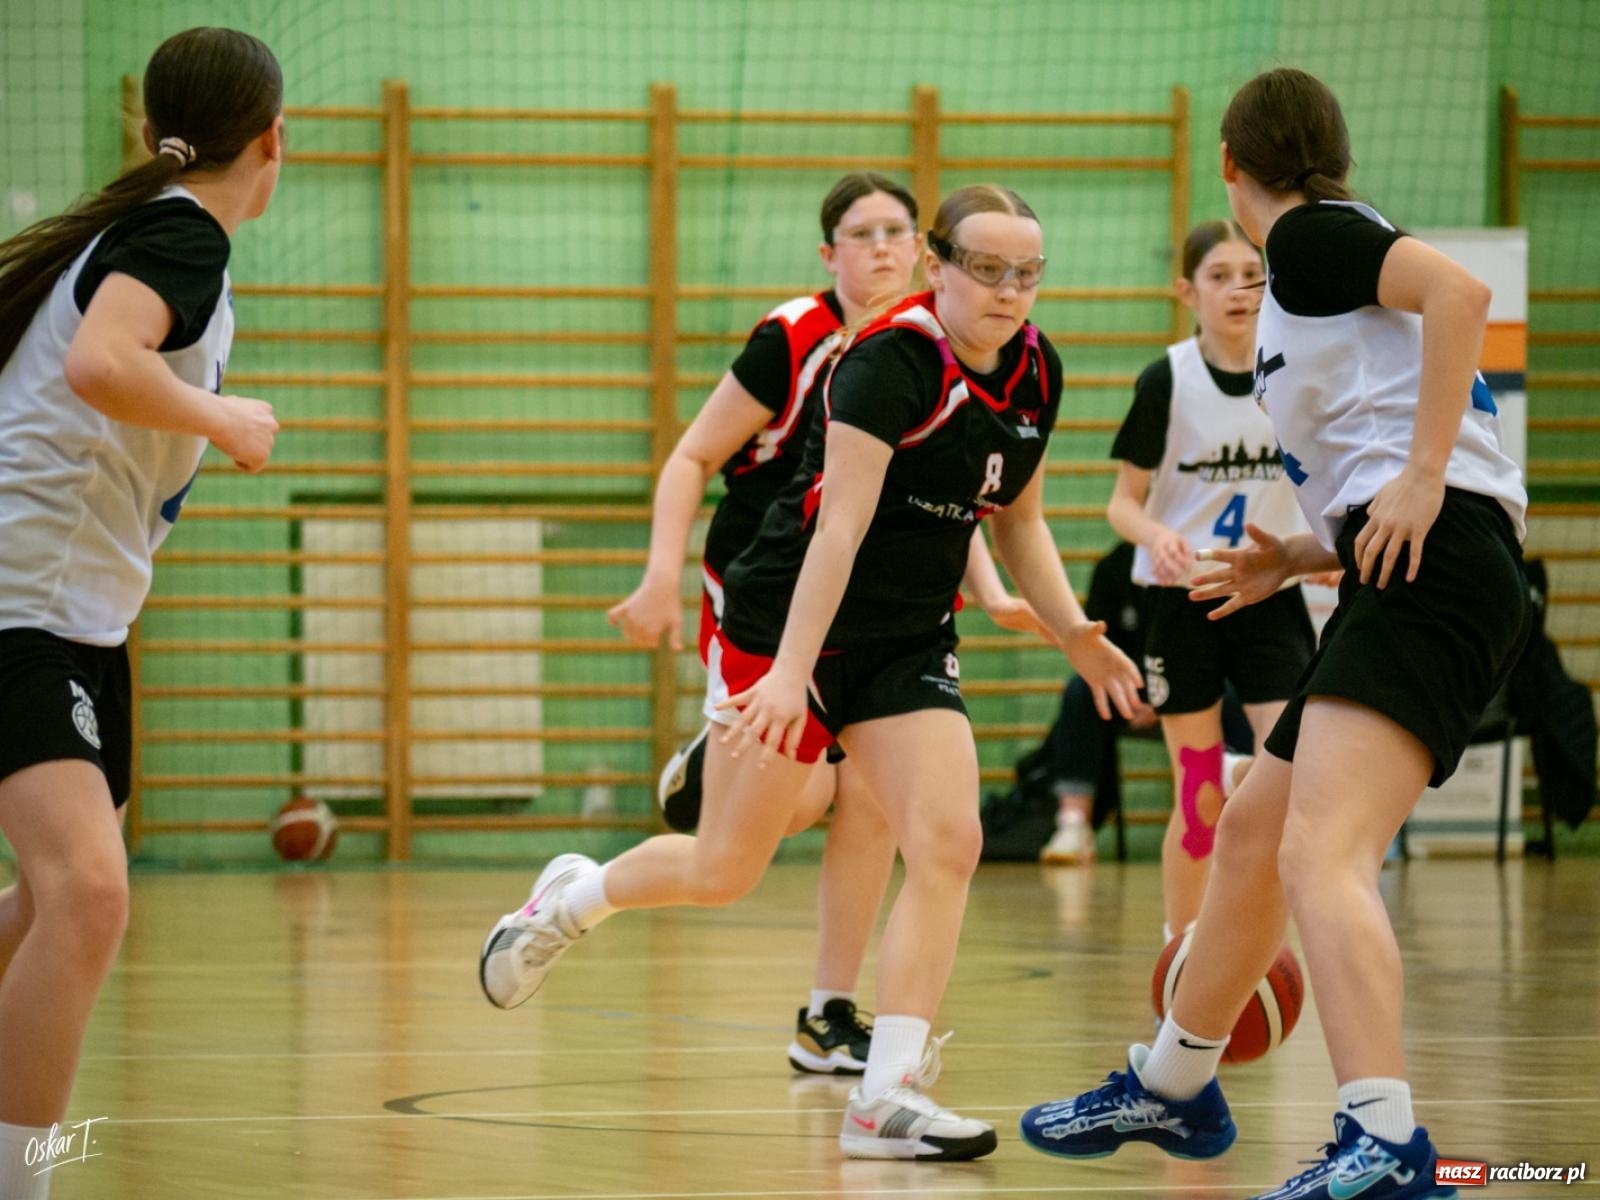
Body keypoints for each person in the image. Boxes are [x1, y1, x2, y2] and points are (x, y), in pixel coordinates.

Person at [482, 184, 1142, 1162]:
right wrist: (788, 676)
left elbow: (1020, 517)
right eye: (988, 269)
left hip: (905, 639)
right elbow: (837, 529)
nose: (1010, 291)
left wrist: (1072, 628)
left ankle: (884, 1099)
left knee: (948, 838)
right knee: (724, 870)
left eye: (1028, 273)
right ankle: (571, 900)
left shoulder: (1038, 370)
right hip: (791, 623)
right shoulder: (888, 363)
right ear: (939, 265)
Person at [1019, 67, 1529, 1200]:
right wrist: (1296, 555)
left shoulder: (1309, 239)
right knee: (1250, 826)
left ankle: (1383, 1140)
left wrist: (1422, 474)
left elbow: (1460, 296)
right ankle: (1172, 1082)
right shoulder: (1314, 279)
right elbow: (1379, 438)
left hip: (1438, 565)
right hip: (1403, 567)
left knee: (1317, 849)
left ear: (1228, 166)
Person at [606, 172, 1045, 1075]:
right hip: (770, 591)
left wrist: (997, 589)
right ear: (830, 254)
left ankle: (832, 1015)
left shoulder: (962, 350)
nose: (880, 248)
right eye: (861, 234)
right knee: (794, 809)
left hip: (884, 607)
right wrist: (658, 577)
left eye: (894, 229)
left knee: (881, 805)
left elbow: (952, 489)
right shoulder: (800, 338)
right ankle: (707, 776)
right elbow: (697, 457)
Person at [0, 28, 283, 1199]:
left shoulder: (154, 227)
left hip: (80, 614)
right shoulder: (178, 233)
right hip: (26, 601)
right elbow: (101, 365)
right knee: (89, 892)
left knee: (46, 894)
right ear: (275, 141)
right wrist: (228, 420)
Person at [1105, 219, 1314, 931]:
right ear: (1186, 289)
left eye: (1250, 275)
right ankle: (1181, 953)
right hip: (1183, 596)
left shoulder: (1293, 374)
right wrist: (1159, 534)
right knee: (1197, 808)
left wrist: (1322, 549)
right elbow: (1121, 505)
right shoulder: (1167, 378)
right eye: (1219, 276)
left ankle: (1262, 943)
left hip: (1268, 593)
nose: (1238, 290)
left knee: (1292, 776)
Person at [983, 542, 1257, 866]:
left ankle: (1238, 817)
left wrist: (1164, 701)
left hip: (1191, 685)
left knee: (1232, 695)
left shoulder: (1203, 564)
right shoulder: (1114, 567)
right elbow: (1097, 647)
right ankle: (1073, 825)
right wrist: (1134, 694)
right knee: (1080, 692)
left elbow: (1220, 651)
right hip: (1126, 687)